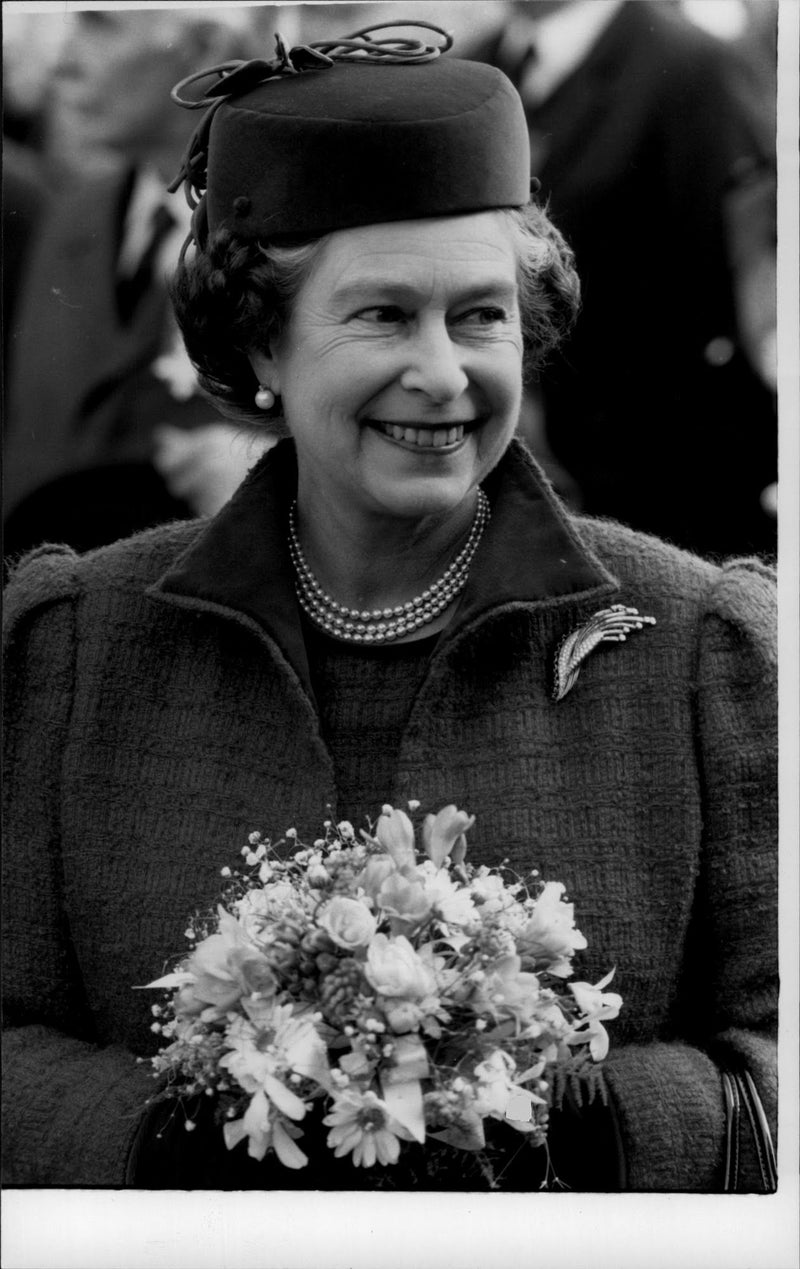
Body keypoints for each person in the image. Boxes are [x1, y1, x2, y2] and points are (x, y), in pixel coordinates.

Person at [2, 20, 776, 1192]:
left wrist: (564, 1114)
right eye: (380, 316)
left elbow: (778, 1066)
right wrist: (177, 1133)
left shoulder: (697, 657)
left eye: (479, 316)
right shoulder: (75, 651)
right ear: (259, 340)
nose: (444, 373)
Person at [466, 0, 778, 559]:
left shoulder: (693, 67)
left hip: (671, 498)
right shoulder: (476, 72)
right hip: (508, 484)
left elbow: (750, 296)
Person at [2, 8, 276, 561]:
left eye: (99, 24)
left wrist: (278, 475)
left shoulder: (283, 230)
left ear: (204, 46)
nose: (64, 62)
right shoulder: (74, 218)